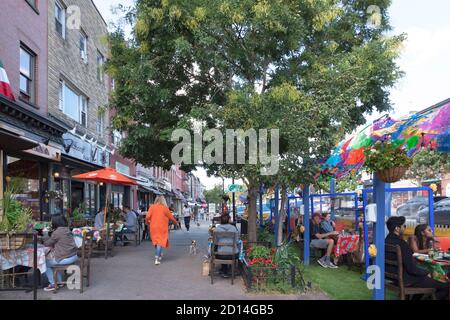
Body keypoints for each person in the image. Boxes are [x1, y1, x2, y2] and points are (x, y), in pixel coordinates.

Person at [385, 216, 450, 300]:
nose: (405, 228)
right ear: (397, 228)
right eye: (404, 226)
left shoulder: (386, 241)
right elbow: (411, 269)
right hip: (407, 280)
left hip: (392, 278)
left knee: (425, 280)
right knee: (445, 286)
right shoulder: (401, 244)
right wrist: (426, 272)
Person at [43, 215, 79, 291]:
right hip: (73, 255)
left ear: (55, 222)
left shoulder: (57, 232)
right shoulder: (67, 229)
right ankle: (59, 282)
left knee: (45, 263)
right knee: (52, 262)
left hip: (65, 258)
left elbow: (47, 243)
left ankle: (53, 284)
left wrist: (45, 234)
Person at [146, 196, 179, 265]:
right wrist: (176, 223)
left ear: (156, 200)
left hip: (153, 227)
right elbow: (171, 217)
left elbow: (147, 217)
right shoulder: (164, 208)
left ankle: (159, 254)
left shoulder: (152, 207)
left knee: (156, 241)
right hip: (162, 227)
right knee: (160, 242)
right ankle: (157, 258)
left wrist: (147, 222)